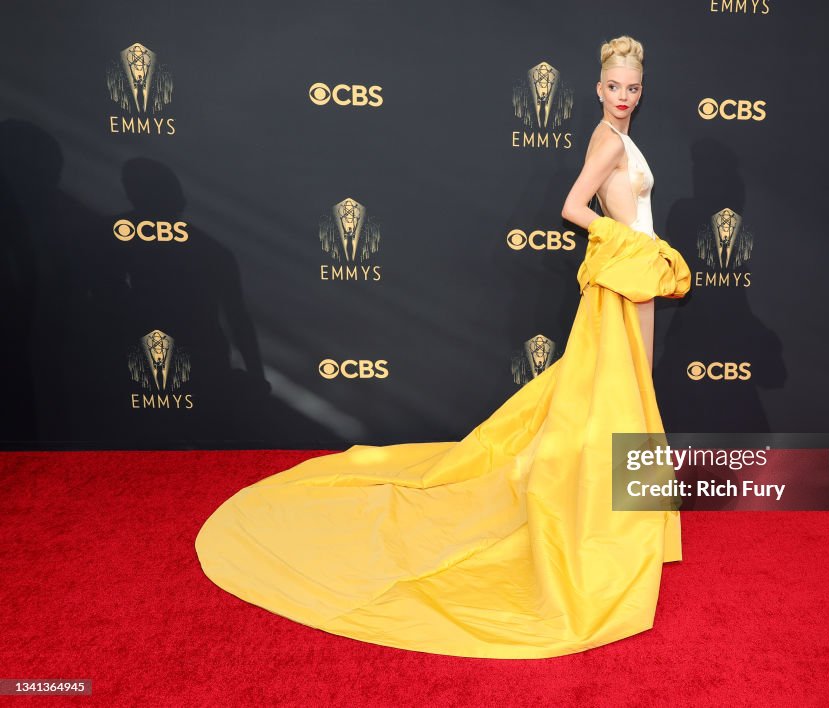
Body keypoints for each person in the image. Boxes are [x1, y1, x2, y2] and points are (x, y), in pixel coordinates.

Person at [195, 35, 691, 659]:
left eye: (632, 89)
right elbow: (571, 207)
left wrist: (636, 249)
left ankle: (629, 522)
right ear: (597, 89)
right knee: (619, 399)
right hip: (626, 274)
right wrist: (628, 242)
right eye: (614, 88)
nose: (623, 98)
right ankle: (602, 525)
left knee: (626, 399)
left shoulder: (623, 138)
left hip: (632, 277)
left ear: (640, 92)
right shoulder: (606, 140)